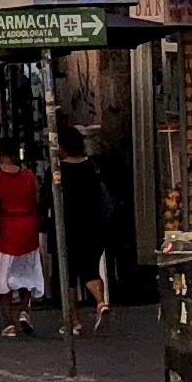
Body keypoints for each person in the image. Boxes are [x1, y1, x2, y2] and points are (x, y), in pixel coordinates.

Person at [54, 123, 122, 336]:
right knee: (90, 270)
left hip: (68, 228)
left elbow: (49, 201)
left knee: (69, 276)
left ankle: (74, 322)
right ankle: (101, 302)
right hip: (94, 226)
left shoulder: (58, 171)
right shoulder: (92, 166)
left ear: (62, 147)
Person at [0, 145, 48, 340]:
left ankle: (9, 324)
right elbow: (37, 200)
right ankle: (24, 310)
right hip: (28, 228)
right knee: (26, 272)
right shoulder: (29, 176)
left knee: (3, 277)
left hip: (4, 229)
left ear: (0, 154)